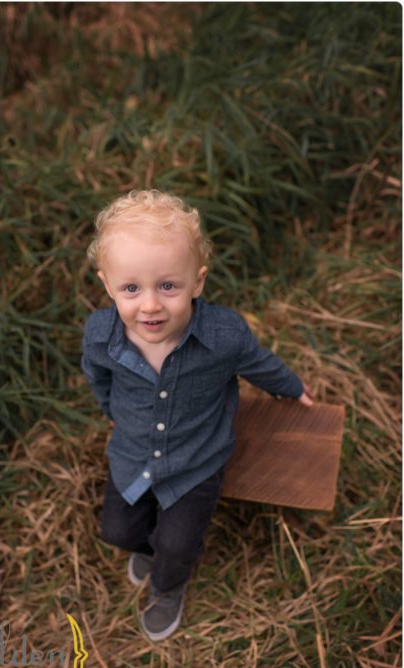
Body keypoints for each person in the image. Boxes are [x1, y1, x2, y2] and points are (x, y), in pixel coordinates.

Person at [81, 189, 313, 642]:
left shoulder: (222, 336)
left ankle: (169, 587)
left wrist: (291, 387)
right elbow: (98, 379)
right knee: (118, 528)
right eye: (131, 288)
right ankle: (145, 547)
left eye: (168, 286)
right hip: (132, 450)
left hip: (196, 458)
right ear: (108, 285)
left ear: (197, 282)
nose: (150, 305)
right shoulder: (99, 338)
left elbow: (257, 362)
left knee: (177, 543)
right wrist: (112, 412)